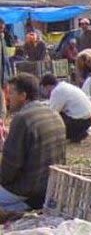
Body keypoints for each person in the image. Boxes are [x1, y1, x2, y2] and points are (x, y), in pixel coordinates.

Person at [0, 74, 66, 211]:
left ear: (23, 96)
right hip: (51, 186)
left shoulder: (22, 119)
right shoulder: (54, 114)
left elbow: (10, 167)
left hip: (28, 190)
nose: (8, 98)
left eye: (11, 93)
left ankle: (17, 209)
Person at [40, 74, 91, 142]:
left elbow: (53, 112)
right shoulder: (65, 86)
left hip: (80, 120)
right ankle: (79, 133)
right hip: (89, 117)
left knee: (52, 118)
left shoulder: (57, 91)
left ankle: (75, 134)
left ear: (48, 86)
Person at [0, 19, 11, 119]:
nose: (2, 30)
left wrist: (8, 76)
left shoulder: (2, 39)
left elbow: (5, 59)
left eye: (3, 28)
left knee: (2, 107)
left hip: (2, 76)